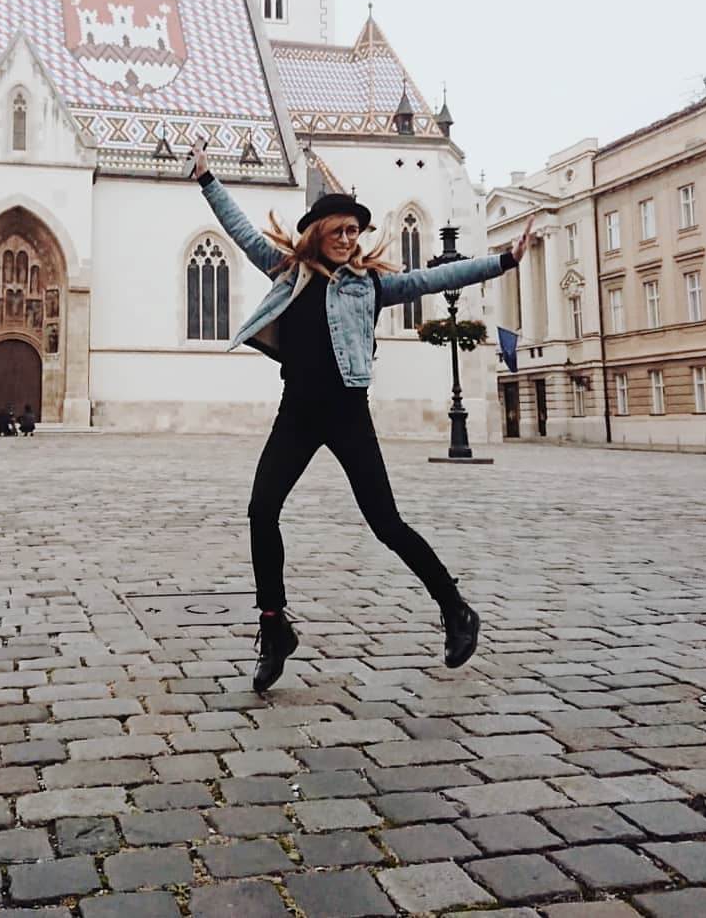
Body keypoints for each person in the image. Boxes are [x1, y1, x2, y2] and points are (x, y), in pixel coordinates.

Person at [192, 145, 533, 693]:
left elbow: (431, 280)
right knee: (261, 510)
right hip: (297, 412)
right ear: (319, 231)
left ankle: (455, 609)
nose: (350, 239)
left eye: (355, 231)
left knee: (386, 523)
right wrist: (207, 178)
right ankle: (274, 628)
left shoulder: (369, 285)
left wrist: (503, 262)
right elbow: (242, 233)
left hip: (348, 414)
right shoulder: (289, 272)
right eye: (341, 230)